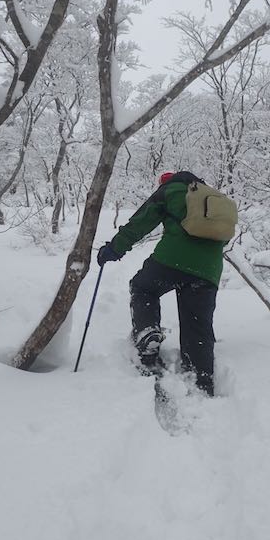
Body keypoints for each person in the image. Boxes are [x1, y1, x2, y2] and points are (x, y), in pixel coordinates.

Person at [97, 170, 224, 396]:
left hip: (171, 260)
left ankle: (147, 333)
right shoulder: (213, 197)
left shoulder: (170, 190)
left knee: (143, 287)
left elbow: (141, 221)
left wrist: (115, 249)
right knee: (197, 324)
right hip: (209, 270)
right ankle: (201, 382)